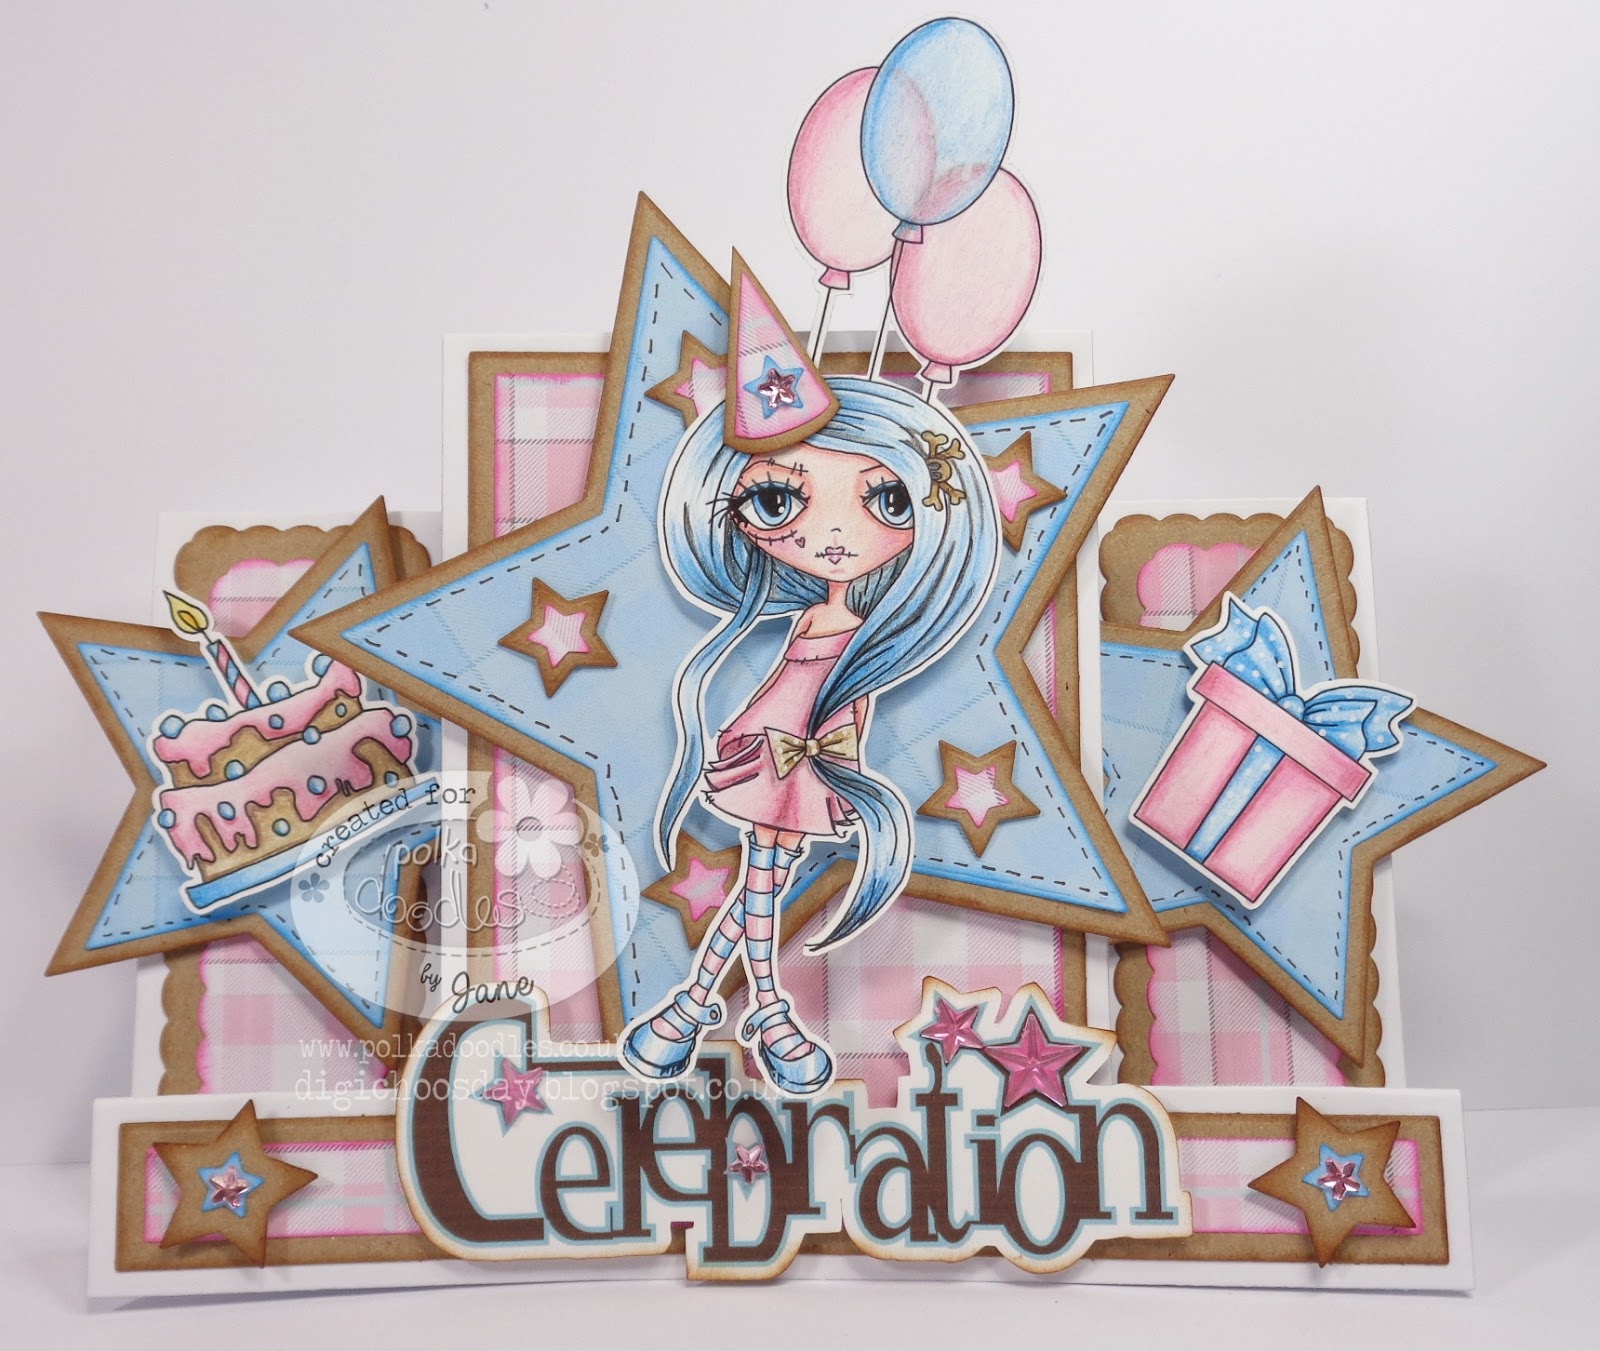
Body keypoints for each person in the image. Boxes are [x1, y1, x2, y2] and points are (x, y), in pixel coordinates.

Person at [620, 375, 1000, 1095]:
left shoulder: (872, 629)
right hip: (777, 755)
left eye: (888, 501)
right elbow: (784, 693)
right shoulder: (821, 617)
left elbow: (844, 709)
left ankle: (698, 1006)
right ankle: (762, 1011)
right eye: (777, 499)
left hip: (809, 765)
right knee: (762, 886)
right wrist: (749, 743)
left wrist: (840, 774)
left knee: (758, 888)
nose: (833, 536)